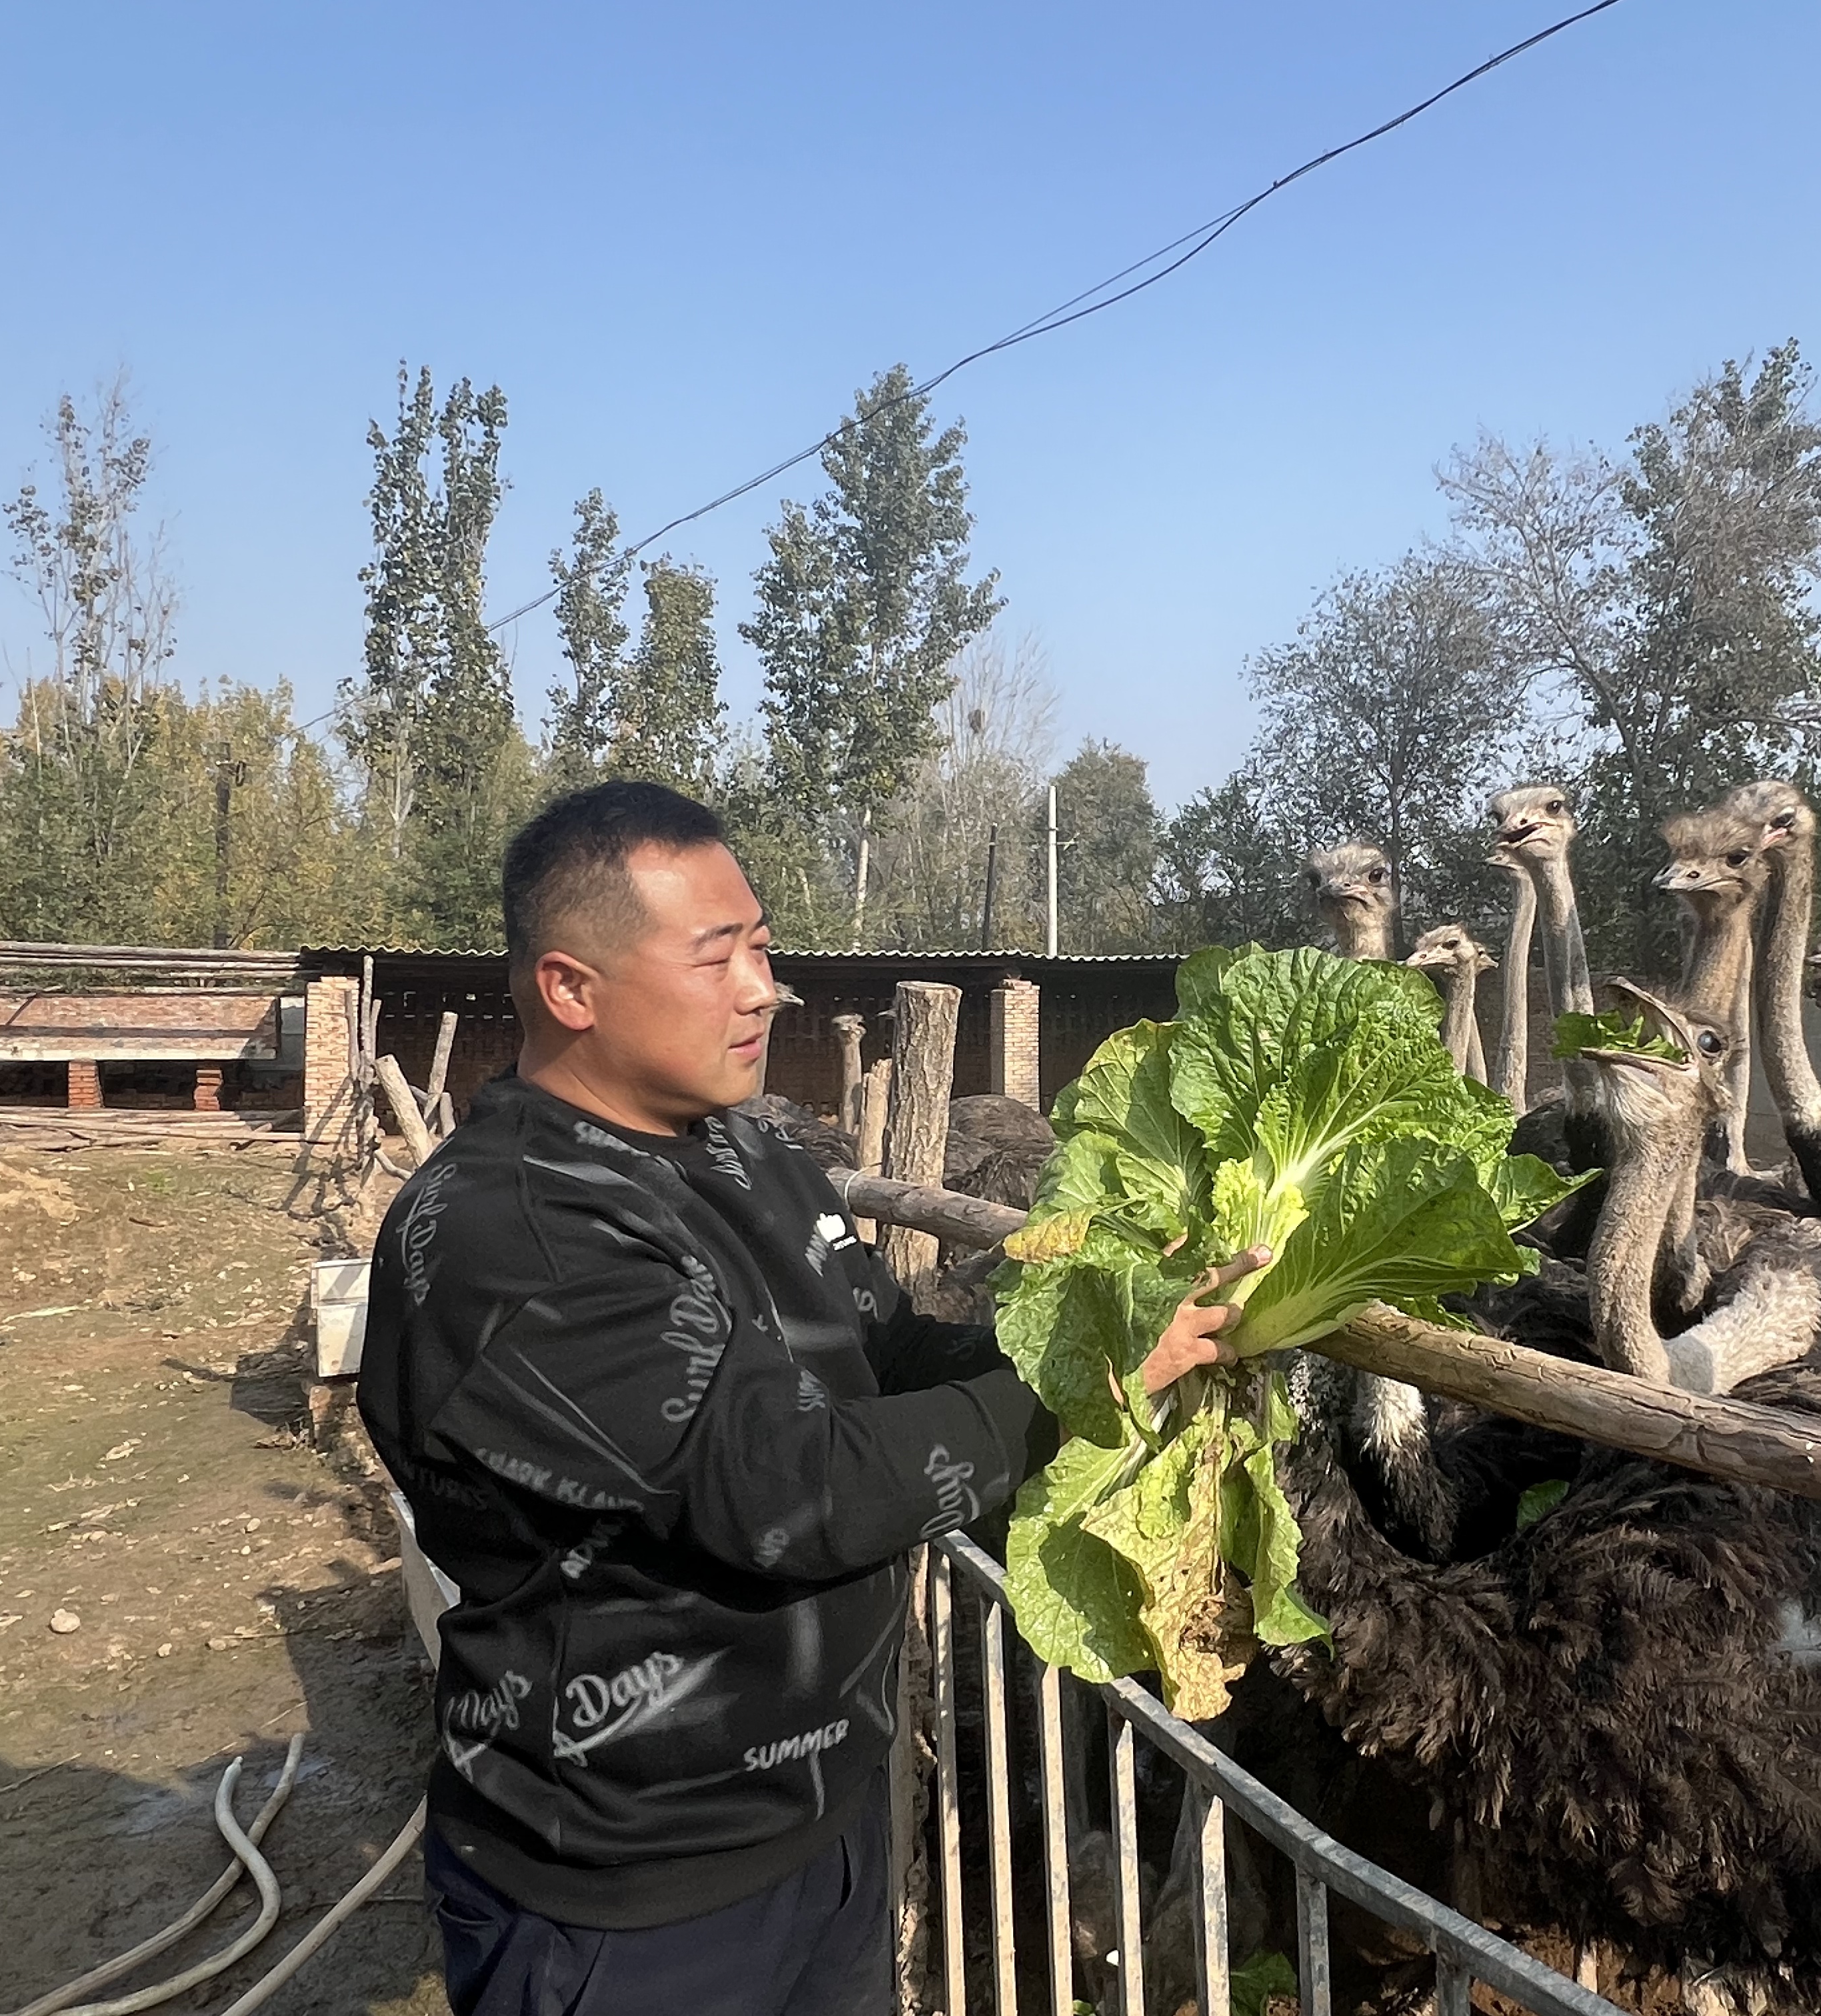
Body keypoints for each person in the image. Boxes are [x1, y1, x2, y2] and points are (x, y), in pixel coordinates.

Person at [358, 781, 1258, 2015]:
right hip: (628, 1890)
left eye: (764, 949)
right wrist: (1089, 1392)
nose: (763, 990)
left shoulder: (747, 1154)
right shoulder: (512, 1234)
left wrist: (1109, 1323)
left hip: (824, 1829)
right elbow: (783, 1492)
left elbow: (885, 1350)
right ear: (571, 988)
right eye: (717, 957)